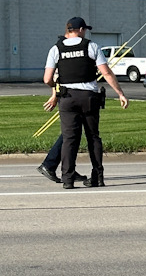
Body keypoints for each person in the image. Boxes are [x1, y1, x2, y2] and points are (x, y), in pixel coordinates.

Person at [43, 17, 129, 189]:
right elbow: (107, 73)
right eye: (85, 30)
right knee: (93, 137)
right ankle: (97, 177)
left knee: (69, 139)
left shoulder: (55, 49)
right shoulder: (91, 46)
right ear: (80, 29)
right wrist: (120, 93)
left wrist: (57, 89)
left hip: (67, 99)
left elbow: (47, 79)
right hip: (89, 97)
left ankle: (67, 179)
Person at [35, 86, 88, 184]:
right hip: (68, 95)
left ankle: (67, 169)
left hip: (73, 94)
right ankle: (51, 165)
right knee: (70, 134)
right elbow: (55, 77)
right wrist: (55, 95)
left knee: (73, 134)